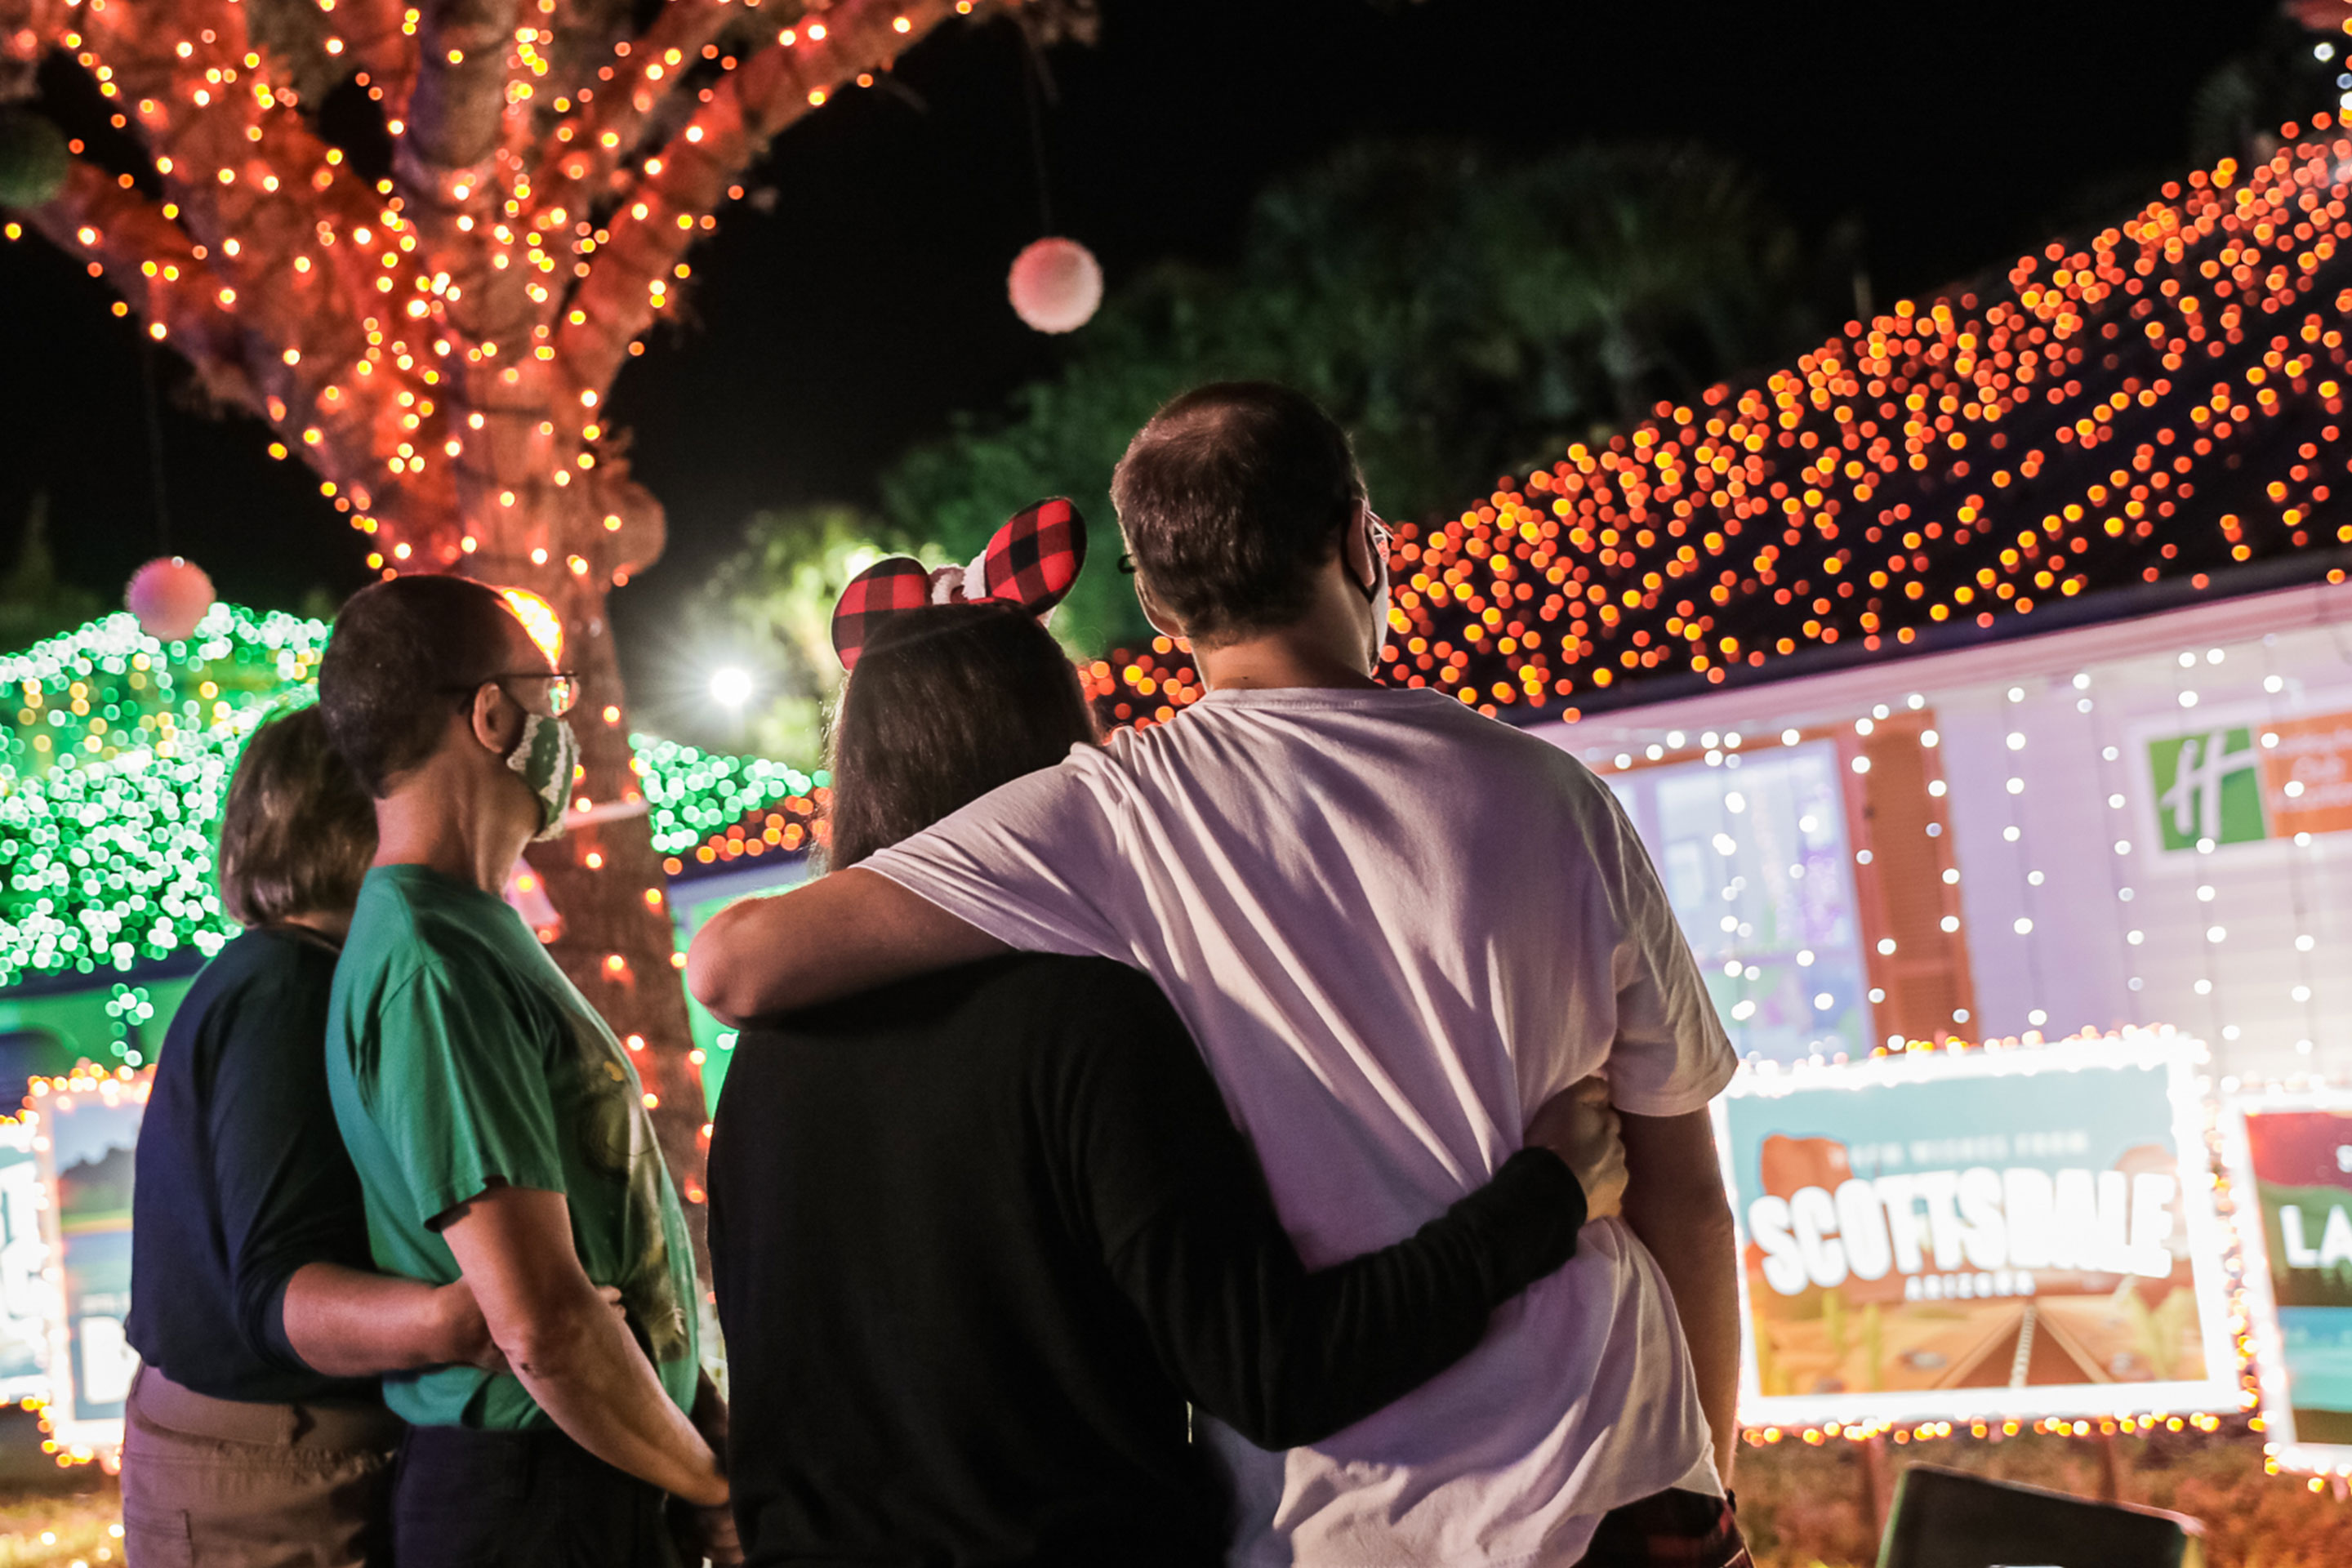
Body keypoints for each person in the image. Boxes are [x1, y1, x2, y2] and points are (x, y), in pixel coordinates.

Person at [690, 384, 1748, 1567]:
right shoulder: (1560, 803)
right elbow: (1688, 1197)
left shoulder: (1108, 816)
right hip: (1617, 1474)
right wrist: (1705, 1484)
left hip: (1346, 1524)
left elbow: (733, 960)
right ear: (1361, 539)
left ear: (1153, 600)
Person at [318, 576, 734, 1567]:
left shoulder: (475, 926)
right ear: (493, 714)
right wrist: (714, 1483)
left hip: (593, 1467)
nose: (567, 726)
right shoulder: (433, 964)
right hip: (537, 1497)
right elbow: (542, 1323)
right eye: (553, 693)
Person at [122, 703, 506, 1567]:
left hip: (276, 1450)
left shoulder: (300, 975)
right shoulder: (287, 991)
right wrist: (464, 1323)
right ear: (356, 815)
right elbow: (283, 1292)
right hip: (273, 1470)